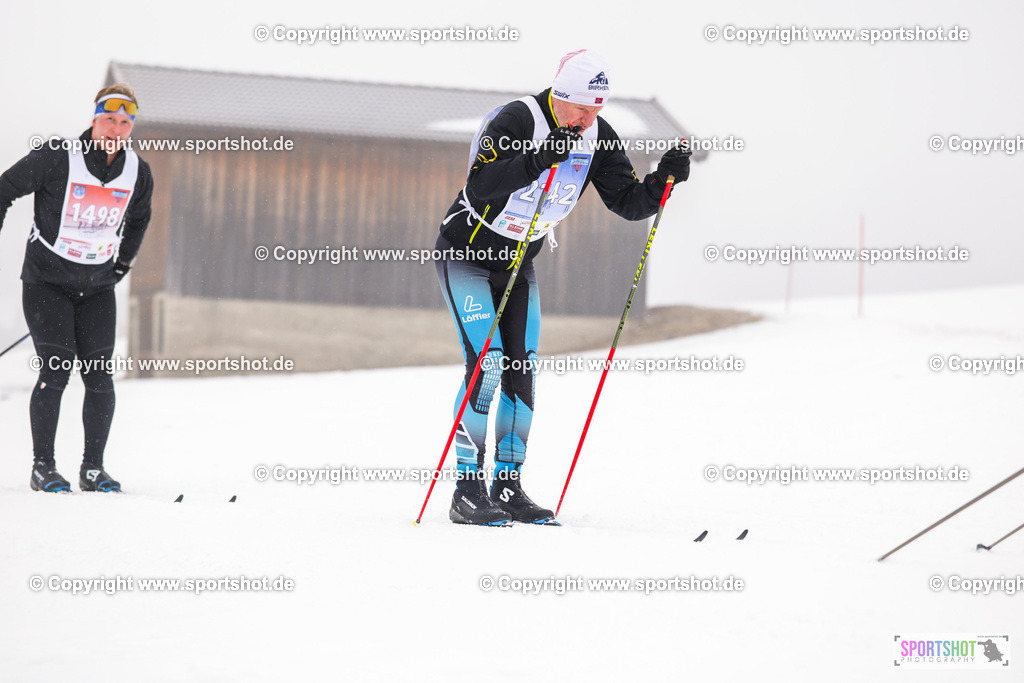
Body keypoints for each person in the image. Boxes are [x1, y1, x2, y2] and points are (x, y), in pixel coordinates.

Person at [434, 49, 692, 525]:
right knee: (487, 366)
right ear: (560, 95)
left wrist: (663, 181)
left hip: (518, 265)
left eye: (597, 108)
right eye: (580, 108)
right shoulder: (517, 120)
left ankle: (507, 487)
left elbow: (629, 203)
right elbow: (480, 187)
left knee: (521, 369)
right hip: (465, 255)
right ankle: (466, 491)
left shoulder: (597, 135)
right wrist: (538, 159)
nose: (588, 118)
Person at [0, 84, 154, 493]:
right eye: (109, 119)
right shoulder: (57, 155)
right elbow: (4, 189)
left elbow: (138, 221)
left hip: (98, 288)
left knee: (100, 376)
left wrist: (122, 263)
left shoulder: (138, 172)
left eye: (125, 122)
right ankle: (43, 467)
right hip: (46, 283)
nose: (116, 129)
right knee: (56, 369)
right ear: (95, 119)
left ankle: (92, 469)